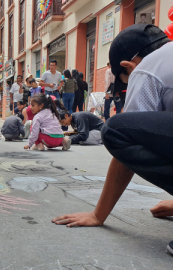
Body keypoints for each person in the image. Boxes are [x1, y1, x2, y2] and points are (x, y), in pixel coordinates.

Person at [52, 24, 173, 254]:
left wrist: (98, 214)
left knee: (115, 129)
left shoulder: (146, 68)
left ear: (128, 66)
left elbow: (127, 142)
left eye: (125, 81)